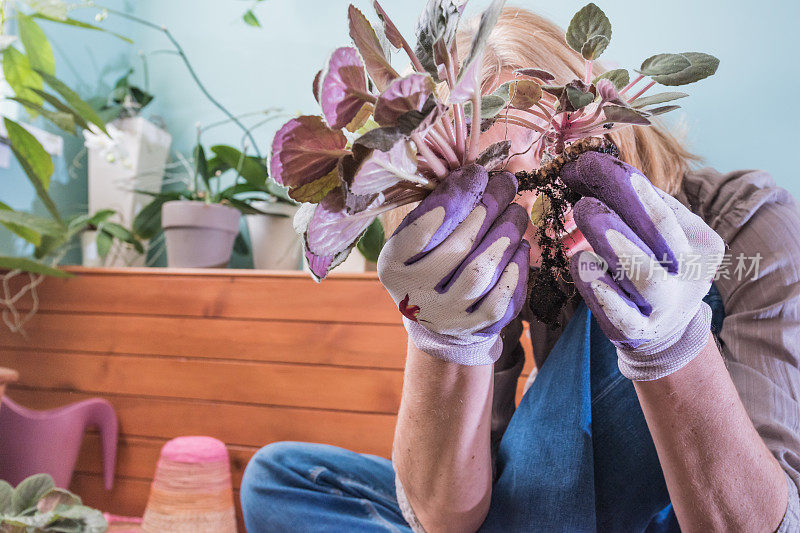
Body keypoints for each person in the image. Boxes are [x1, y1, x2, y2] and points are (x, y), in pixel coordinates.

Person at [240, 7, 800, 532]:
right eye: (485, 187)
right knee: (279, 476)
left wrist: (671, 345)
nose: (528, 219)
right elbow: (452, 512)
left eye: (542, 161)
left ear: (600, 124)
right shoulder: (490, 254)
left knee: (632, 306)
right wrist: (444, 340)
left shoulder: (751, 221)